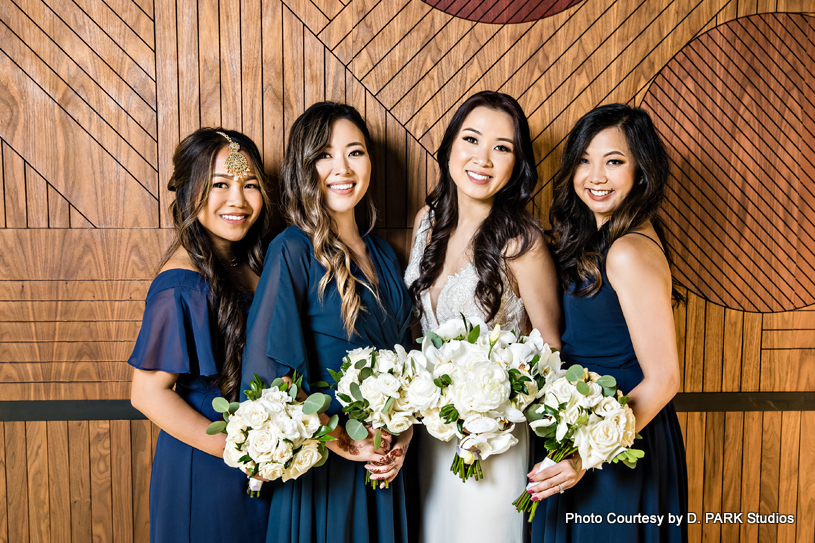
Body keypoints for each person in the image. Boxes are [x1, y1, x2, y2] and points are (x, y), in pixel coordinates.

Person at [241, 102, 413, 543]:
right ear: (304, 166)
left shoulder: (386, 256)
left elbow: (412, 369)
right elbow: (269, 381)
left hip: (386, 469)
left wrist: (405, 434)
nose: (342, 168)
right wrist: (342, 440)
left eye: (354, 152)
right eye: (324, 154)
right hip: (324, 475)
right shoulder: (292, 250)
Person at [404, 90, 562, 543]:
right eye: (471, 140)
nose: (483, 159)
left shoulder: (522, 242)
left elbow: (551, 348)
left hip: (493, 442)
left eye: (502, 148)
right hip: (430, 435)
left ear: (517, 165)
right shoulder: (426, 222)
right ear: (450, 146)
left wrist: (497, 411)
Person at [527, 103, 688, 542]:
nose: (595, 177)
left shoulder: (627, 251)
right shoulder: (606, 238)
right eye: (584, 161)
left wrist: (583, 455)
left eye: (613, 162)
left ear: (641, 171)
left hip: (619, 442)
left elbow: (664, 379)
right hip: (585, 426)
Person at [129, 128, 274, 543]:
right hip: (208, 463)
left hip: (260, 462)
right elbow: (147, 393)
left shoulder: (252, 263)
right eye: (219, 185)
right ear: (190, 191)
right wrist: (238, 450)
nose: (237, 200)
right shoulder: (181, 283)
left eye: (250, 186)